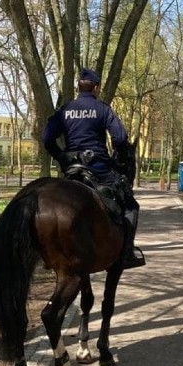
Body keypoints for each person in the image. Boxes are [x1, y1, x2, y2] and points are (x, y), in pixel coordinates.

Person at [41, 68, 146, 269]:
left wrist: (61, 156)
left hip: (72, 170)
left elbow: (47, 138)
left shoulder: (66, 110)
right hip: (98, 169)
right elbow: (121, 138)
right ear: (96, 88)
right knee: (131, 205)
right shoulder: (102, 109)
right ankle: (127, 252)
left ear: (78, 87)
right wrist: (118, 154)